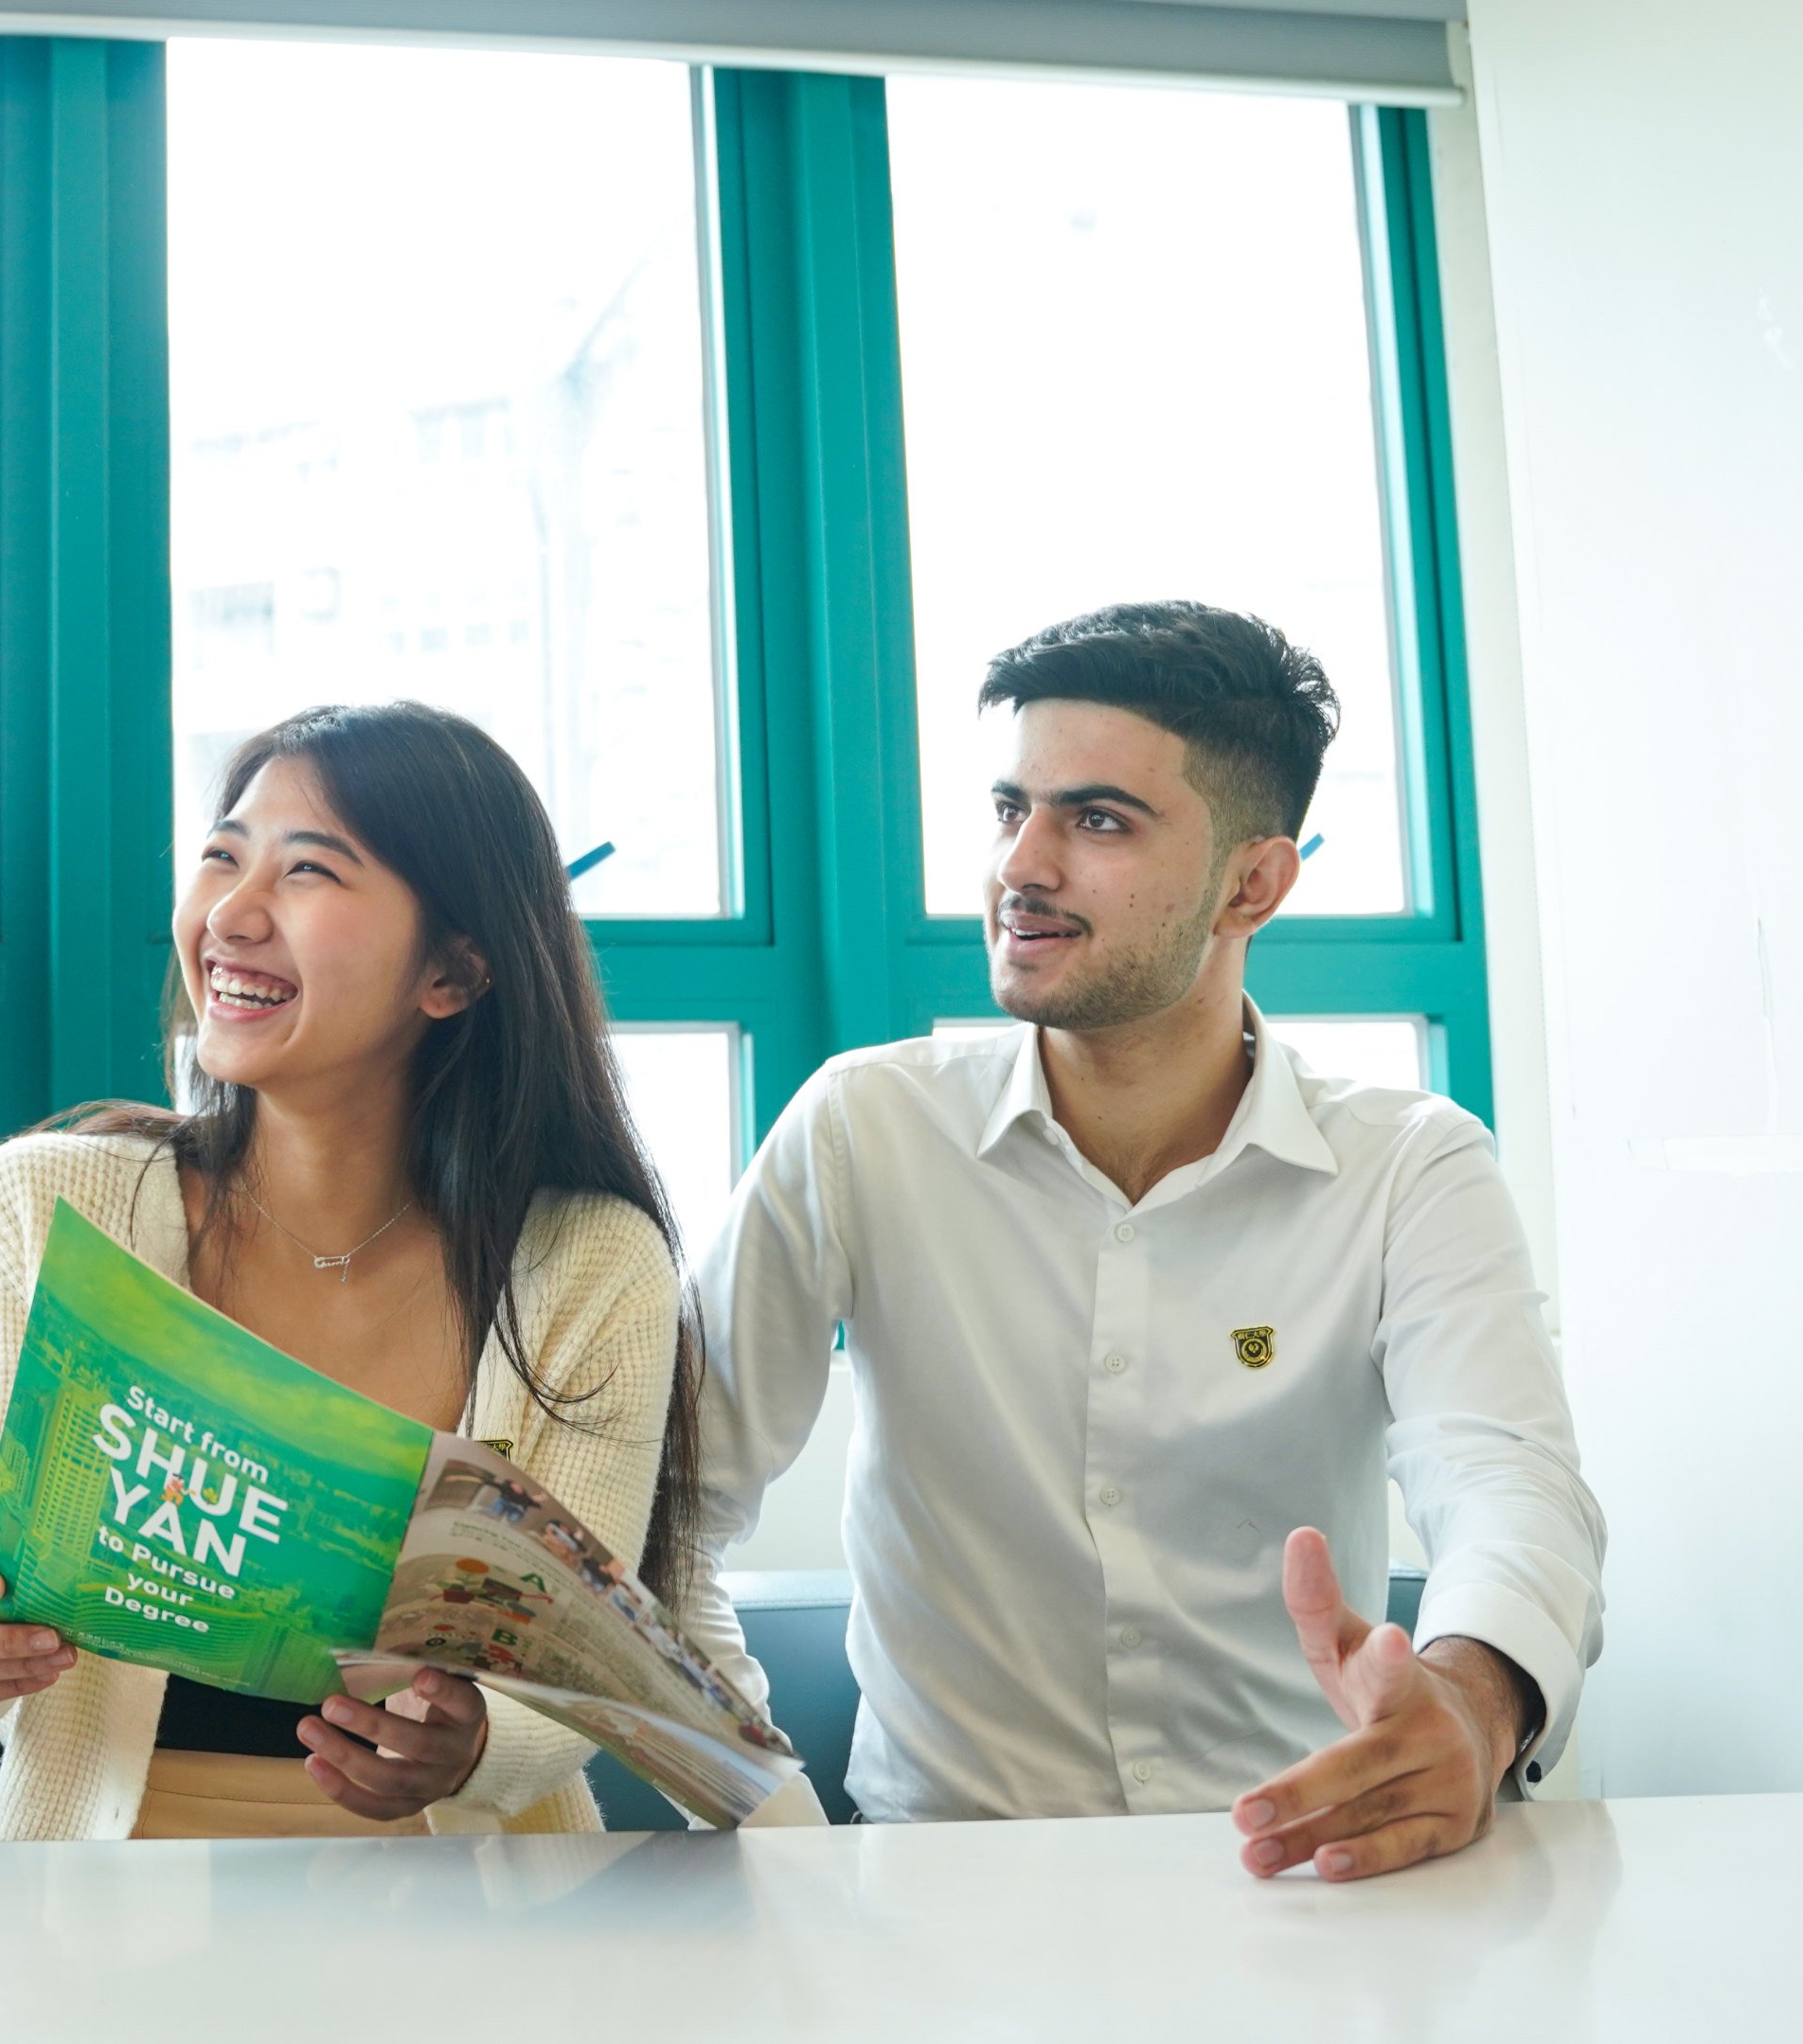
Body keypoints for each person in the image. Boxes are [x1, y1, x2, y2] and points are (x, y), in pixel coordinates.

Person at [679, 600, 1604, 1881]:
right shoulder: (863, 1128)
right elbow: (666, 1508)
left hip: (1302, 1874)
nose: (1020, 865)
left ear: (1253, 881)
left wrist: (1468, 1699)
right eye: (1010, 809)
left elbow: (1509, 1485)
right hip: (939, 1895)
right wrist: (773, 1820)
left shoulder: (1408, 1166)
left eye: (1095, 819)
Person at [0, 702, 730, 1839]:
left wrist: (471, 1740)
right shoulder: (39, 1206)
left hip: (476, 1916)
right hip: (105, 1899)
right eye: (222, 856)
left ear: (456, 972)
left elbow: (569, 1680)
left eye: (309, 871)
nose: (230, 913)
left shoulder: (589, 1256)